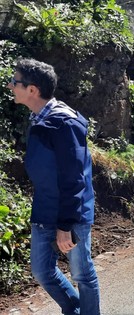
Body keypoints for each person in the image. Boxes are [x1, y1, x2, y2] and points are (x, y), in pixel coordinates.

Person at [8, 58, 100, 314]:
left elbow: (75, 178)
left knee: (82, 273)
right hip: (45, 209)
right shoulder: (39, 118)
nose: (10, 86)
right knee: (41, 270)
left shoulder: (64, 122)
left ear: (32, 90)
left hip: (70, 213)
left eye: (14, 82)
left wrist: (65, 224)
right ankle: (74, 309)